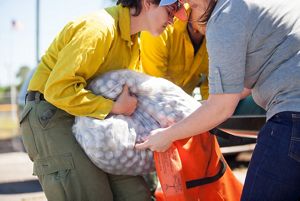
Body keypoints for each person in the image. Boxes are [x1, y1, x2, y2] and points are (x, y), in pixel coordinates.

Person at [19, 0, 186, 200]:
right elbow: (57, 89)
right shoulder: (99, 28)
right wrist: (114, 107)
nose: (174, 19)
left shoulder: (133, 42)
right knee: (91, 194)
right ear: (148, 2)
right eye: (171, 10)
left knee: (137, 194)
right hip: (53, 115)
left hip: (93, 119)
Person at [136, 0, 300, 200]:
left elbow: (222, 107)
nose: (180, 17)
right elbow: (239, 87)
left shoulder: (224, 15)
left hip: (292, 116)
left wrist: (168, 135)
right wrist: (202, 109)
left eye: (190, 6)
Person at [140, 2, 209, 99]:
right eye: (210, 7)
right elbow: (156, 87)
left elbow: (213, 91)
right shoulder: (161, 26)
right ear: (193, 3)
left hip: (184, 106)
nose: (214, 15)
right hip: (148, 101)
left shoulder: (220, 39)